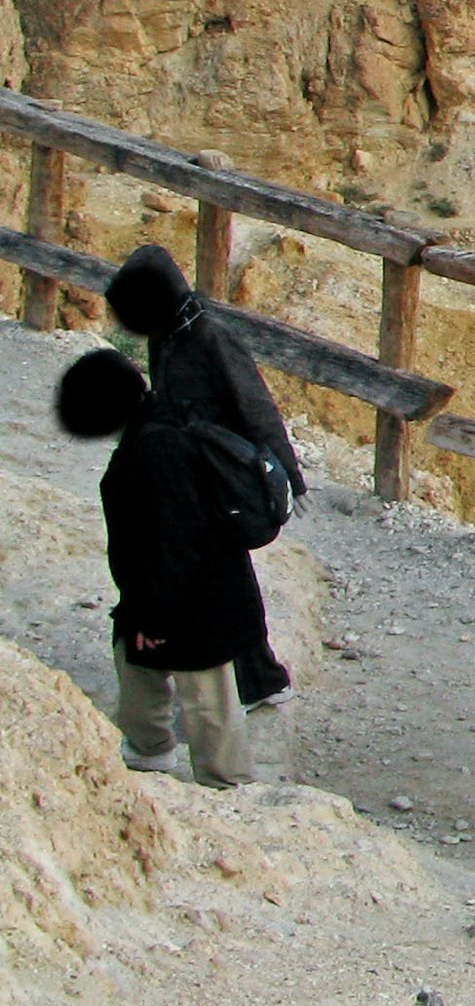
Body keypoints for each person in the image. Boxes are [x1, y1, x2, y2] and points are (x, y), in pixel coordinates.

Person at [53, 349, 264, 786]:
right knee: (138, 662)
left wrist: (154, 616)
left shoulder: (154, 451)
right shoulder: (161, 425)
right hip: (186, 591)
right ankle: (149, 749)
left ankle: (225, 784)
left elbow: (171, 541)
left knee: (206, 697)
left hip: (194, 600)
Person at [104, 243, 301, 710]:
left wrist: (286, 473)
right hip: (187, 470)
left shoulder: (211, 337)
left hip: (221, 472)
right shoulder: (167, 335)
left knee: (225, 575)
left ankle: (260, 679)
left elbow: (256, 408)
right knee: (211, 576)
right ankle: (257, 678)